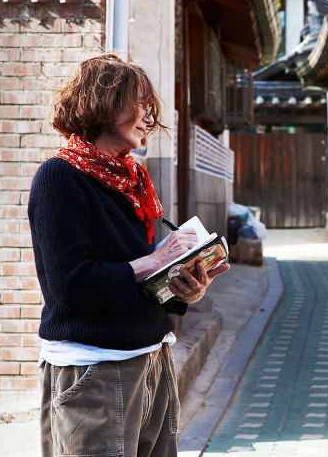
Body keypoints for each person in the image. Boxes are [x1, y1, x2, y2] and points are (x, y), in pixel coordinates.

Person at [28, 53, 230, 457]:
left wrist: (184, 289)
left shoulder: (130, 178)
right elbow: (70, 287)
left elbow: (136, 281)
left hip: (153, 361)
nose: (149, 117)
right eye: (140, 103)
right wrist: (156, 261)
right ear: (104, 102)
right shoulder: (58, 177)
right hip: (93, 371)